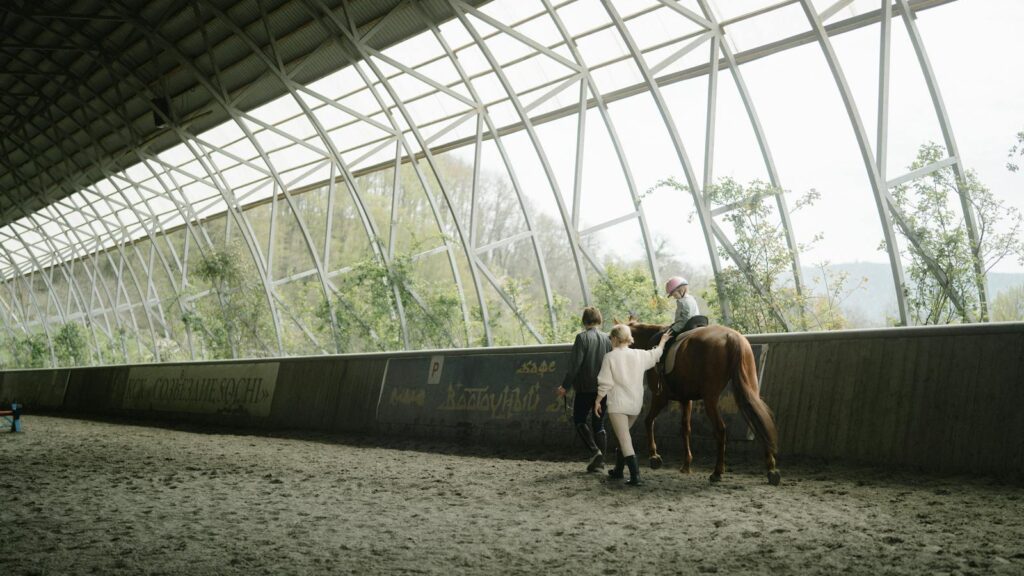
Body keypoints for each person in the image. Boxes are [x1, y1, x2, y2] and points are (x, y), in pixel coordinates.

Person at [595, 324, 671, 486]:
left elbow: (605, 383)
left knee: (625, 439)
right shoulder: (639, 355)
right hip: (635, 405)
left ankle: (635, 477)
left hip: (618, 405)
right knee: (623, 437)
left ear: (614, 338)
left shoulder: (610, 357)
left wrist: (597, 400)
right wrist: (663, 341)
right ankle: (618, 470)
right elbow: (656, 354)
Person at [557, 306, 612, 472]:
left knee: (579, 419)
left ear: (584, 320)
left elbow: (574, 366)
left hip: (585, 388)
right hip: (603, 389)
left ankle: (595, 451)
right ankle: (601, 461)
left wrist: (564, 386)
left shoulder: (581, 338)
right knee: (599, 424)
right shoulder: (607, 339)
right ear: (599, 319)